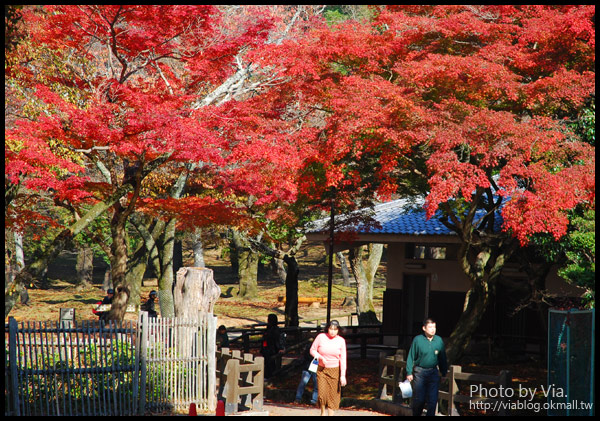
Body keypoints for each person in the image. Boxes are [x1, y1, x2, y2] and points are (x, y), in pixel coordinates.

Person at [405, 318, 448, 416]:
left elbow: (442, 358)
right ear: (424, 328)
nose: (433, 329)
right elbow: (411, 356)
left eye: (434, 327)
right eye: (430, 327)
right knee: (419, 399)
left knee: (432, 400)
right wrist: (409, 372)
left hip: (433, 372)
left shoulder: (438, 340)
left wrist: (444, 372)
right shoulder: (418, 340)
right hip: (420, 372)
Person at [310, 320, 347, 416]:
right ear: (327, 328)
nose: (333, 331)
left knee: (332, 395)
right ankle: (322, 412)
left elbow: (343, 359)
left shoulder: (341, 341)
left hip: (334, 370)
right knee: (322, 394)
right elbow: (312, 350)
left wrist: (342, 375)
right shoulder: (321, 337)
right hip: (322, 369)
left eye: (335, 329)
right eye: (331, 329)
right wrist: (320, 357)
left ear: (338, 330)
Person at [294, 338, 318, 405]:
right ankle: (298, 398)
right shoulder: (310, 347)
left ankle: (313, 400)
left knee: (315, 384)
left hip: (313, 367)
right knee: (304, 383)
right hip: (310, 366)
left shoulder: (314, 347)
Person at [260, 314, 285, 378]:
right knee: (267, 363)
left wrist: (280, 348)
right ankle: (267, 375)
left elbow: (280, 339)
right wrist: (264, 347)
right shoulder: (268, 329)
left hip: (273, 349)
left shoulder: (276, 330)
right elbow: (265, 339)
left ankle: (271, 376)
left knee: (271, 363)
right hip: (267, 349)